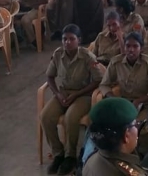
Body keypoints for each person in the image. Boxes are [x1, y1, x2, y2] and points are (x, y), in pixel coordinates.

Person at [41, 24, 104, 175]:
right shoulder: (58, 54)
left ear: (79, 40)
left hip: (82, 95)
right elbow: (49, 76)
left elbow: (98, 80)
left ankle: (70, 156)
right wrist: (57, 94)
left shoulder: (87, 57)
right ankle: (58, 154)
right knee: (45, 116)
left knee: (71, 118)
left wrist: (77, 94)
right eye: (64, 39)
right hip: (63, 93)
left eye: (71, 39)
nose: (67, 42)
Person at [82, 97, 148, 176]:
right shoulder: (127, 173)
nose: (137, 127)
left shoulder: (91, 160)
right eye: (135, 124)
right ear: (126, 135)